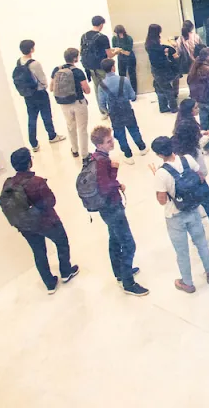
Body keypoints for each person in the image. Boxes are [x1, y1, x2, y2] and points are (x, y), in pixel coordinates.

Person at [0, 148, 79, 293]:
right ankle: (66, 271)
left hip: (25, 226)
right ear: (29, 162)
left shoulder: (9, 184)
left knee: (38, 252)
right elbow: (51, 201)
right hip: (47, 222)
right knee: (61, 242)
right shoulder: (37, 182)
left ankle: (49, 283)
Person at [149, 136, 209, 294]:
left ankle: (187, 282)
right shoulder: (187, 159)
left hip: (175, 216)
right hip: (192, 209)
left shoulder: (161, 173)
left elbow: (162, 201)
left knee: (182, 251)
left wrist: (156, 178)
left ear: (159, 154)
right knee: (201, 243)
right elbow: (200, 177)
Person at [90, 126, 149, 295]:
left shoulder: (94, 158)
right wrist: (115, 172)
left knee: (114, 239)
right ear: (99, 145)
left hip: (105, 208)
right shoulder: (103, 161)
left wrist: (115, 182)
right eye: (108, 141)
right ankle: (128, 282)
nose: (112, 143)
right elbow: (105, 186)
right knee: (128, 244)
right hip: (112, 207)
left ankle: (119, 272)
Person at [172, 99, 209, 242]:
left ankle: (197, 236)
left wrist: (201, 133)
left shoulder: (180, 125)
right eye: (195, 107)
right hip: (196, 173)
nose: (197, 109)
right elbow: (197, 146)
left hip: (187, 174)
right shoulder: (189, 130)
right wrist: (206, 137)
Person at [12, 39, 66, 153]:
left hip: (28, 94)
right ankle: (52, 136)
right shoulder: (35, 64)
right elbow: (42, 80)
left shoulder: (19, 62)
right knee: (46, 115)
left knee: (32, 118)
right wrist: (45, 86)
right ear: (31, 49)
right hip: (39, 93)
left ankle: (33, 143)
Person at [97, 58, 147, 165]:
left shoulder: (101, 85)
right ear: (113, 68)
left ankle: (128, 155)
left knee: (120, 134)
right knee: (134, 129)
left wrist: (107, 112)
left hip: (114, 113)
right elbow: (132, 96)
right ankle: (142, 148)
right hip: (126, 109)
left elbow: (101, 103)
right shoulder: (124, 80)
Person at [50, 47, 91, 159]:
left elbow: (51, 88)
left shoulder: (56, 70)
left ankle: (74, 149)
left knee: (70, 127)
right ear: (75, 58)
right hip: (78, 102)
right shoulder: (78, 72)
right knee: (82, 129)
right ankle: (84, 154)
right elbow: (87, 90)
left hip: (64, 103)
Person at [80, 16, 120, 119]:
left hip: (90, 68)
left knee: (97, 88)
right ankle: (113, 110)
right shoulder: (103, 37)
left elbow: (81, 51)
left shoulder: (84, 36)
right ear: (101, 24)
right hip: (102, 67)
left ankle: (103, 111)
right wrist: (116, 51)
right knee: (109, 87)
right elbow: (109, 55)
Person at [145, 23, 180, 113]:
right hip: (161, 70)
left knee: (160, 89)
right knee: (168, 89)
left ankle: (163, 107)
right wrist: (167, 51)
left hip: (155, 70)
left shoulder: (149, 42)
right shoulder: (153, 45)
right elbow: (159, 51)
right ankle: (174, 108)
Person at [111, 25, 137, 96]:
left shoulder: (128, 38)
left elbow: (128, 53)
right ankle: (124, 93)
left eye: (120, 33)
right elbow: (114, 49)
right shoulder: (114, 38)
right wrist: (117, 51)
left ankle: (133, 93)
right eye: (118, 33)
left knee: (132, 75)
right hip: (121, 58)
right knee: (121, 76)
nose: (119, 34)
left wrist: (120, 50)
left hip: (129, 58)